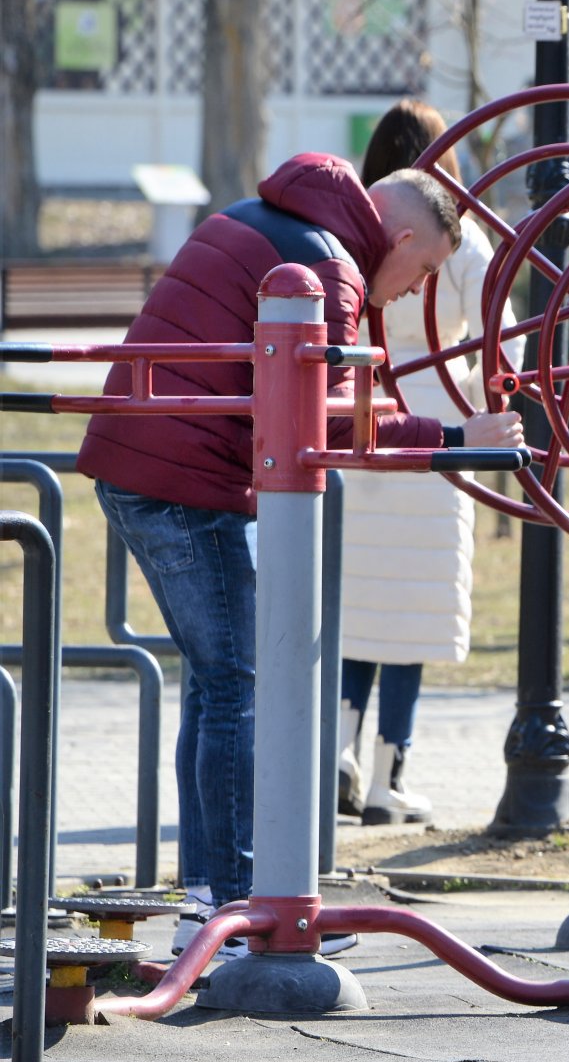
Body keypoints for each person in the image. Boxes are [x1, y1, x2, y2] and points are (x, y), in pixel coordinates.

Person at [75, 152, 524, 958]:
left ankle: (208, 901)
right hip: (184, 482)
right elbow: (329, 419)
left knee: (216, 684)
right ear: (402, 237)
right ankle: (240, 907)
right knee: (237, 683)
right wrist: (459, 435)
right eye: (424, 270)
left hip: (141, 461)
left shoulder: (263, 215)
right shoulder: (329, 267)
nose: (415, 291)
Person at [334, 100, 521, 827]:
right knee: (410, 617)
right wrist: (485, 401)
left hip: (358, 419)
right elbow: (503, 340)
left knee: (357, 610)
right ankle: (390, 777)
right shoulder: (462, 241)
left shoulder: (358, 233)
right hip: (441, 429)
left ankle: (339, 753)